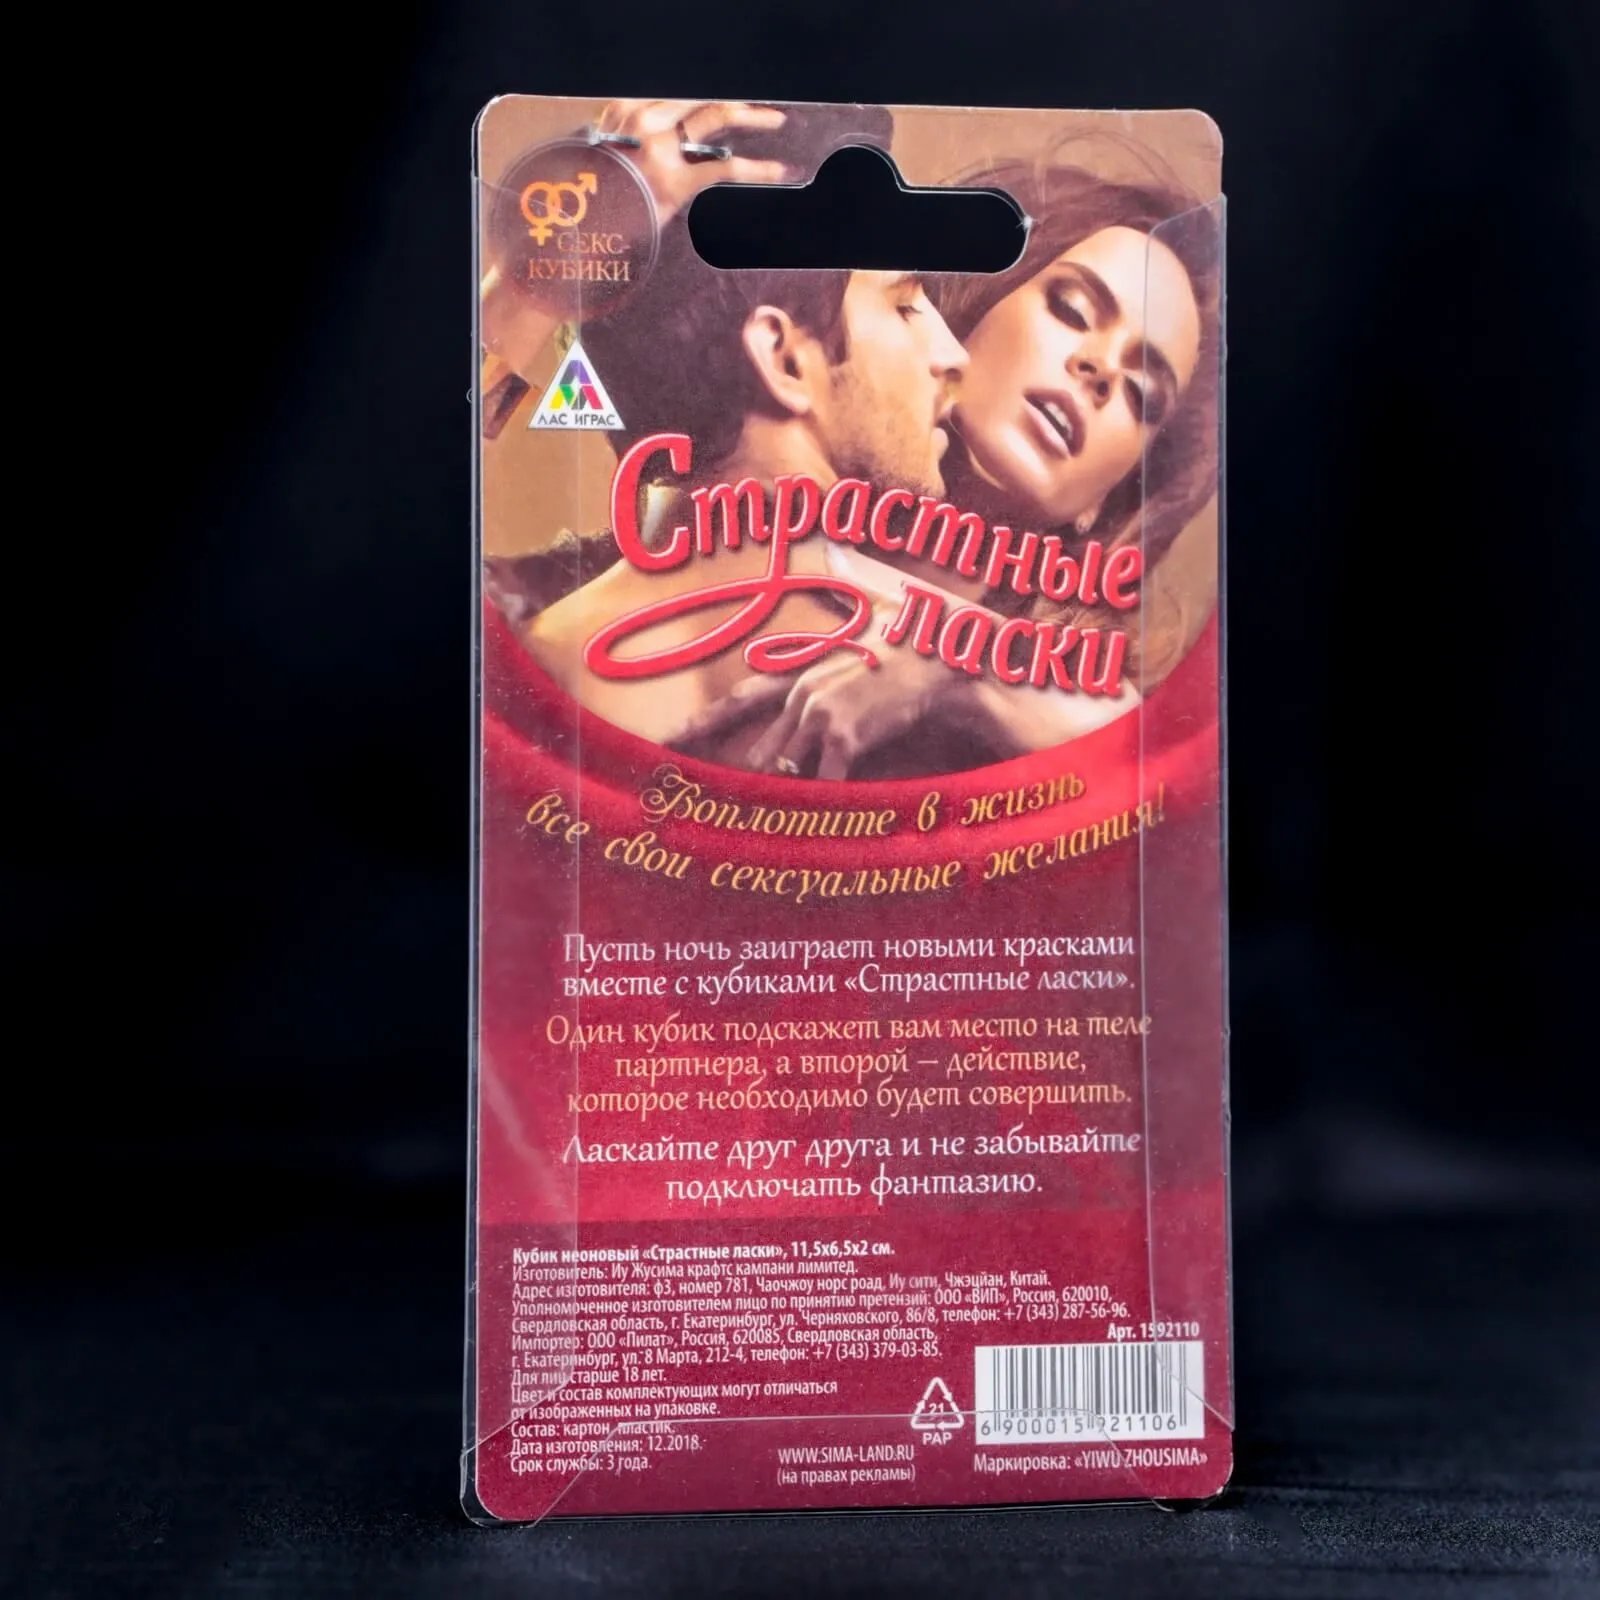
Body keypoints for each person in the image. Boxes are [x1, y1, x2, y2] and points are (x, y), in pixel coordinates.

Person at [675, 156, 1221, 777]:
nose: (1102, 370)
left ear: (1105, 500)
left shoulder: (1080, 719)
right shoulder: (713, 555)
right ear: (967, 308)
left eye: (1140, 394)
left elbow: (1136, 752)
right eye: (1071, 310)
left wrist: (950, 660)